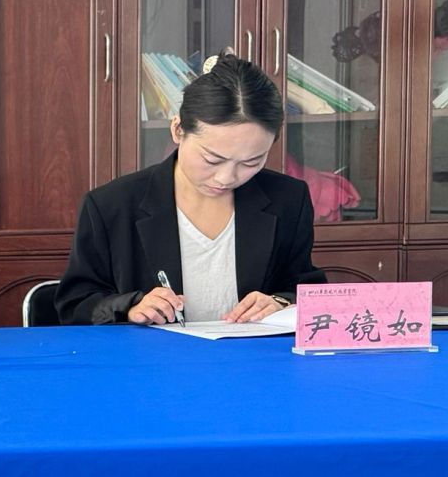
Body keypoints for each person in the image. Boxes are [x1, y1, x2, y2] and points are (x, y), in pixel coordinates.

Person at [55, 53, 325, 325]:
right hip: (151, 352)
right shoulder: (112, 205)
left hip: (252, 351)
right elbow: (75, 304)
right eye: (212, 159)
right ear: (178, 129)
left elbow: (308, 290)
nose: (226, 178)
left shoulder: (288, 199)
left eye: (251, 162)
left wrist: (281, 302)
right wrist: (130, 306)